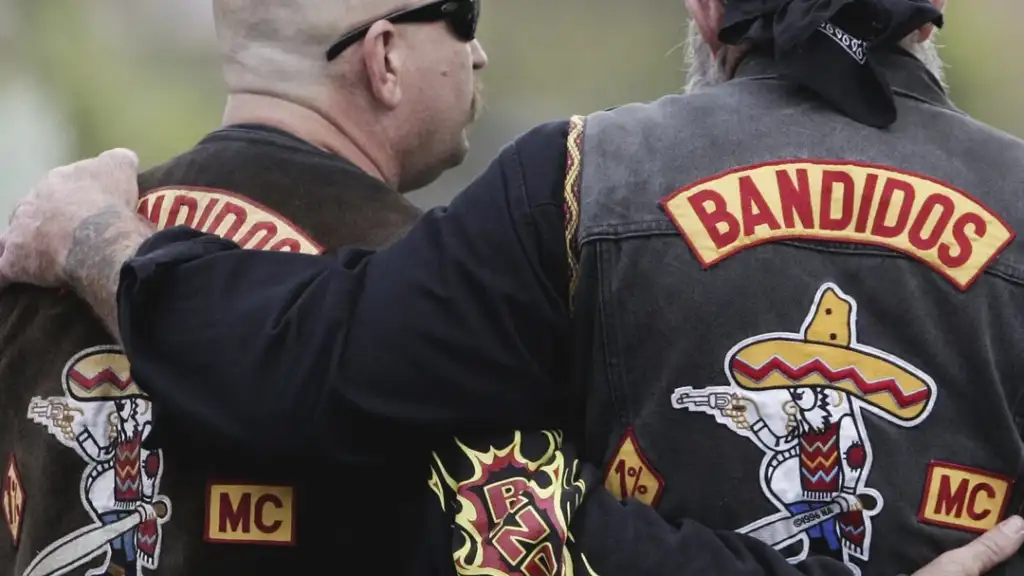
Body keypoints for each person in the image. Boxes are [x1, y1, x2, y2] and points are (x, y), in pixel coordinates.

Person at [4, 0, 1024, 575]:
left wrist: (101, 239)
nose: (481, 46)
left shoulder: (582, 176)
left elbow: (309, 372)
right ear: (924, 26)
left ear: (708, 14)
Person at [0, 0, 486, 574]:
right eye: (465, 18)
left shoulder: (36, 258)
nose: (477, 55)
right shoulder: (437, 295)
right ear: (384, 57)